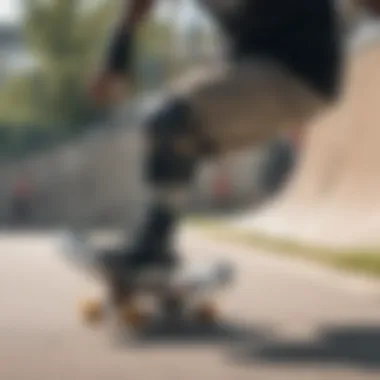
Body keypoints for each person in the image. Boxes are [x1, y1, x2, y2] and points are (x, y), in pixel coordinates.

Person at [89, 0, 373, 271]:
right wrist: (117, 57)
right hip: (261, 75)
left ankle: (154, 246)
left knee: (172, 120)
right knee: (176, 135)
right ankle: (156, 245)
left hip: (298, 71)